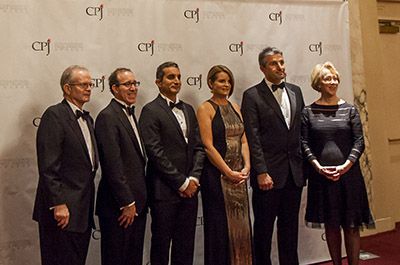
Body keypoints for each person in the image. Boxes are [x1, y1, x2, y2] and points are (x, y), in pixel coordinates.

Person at [301, 62, 375, 265]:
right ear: (318, 83)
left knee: (351, 225)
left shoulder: (350, 110)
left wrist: (345, 166)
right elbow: (304, 143)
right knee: (331, 225)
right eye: (327, 78)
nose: (332, 82)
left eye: (335, 78)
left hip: (349, 177)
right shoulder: (308, 112)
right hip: (322, 178)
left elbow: (359, 142)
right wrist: (317, 166)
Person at [241, 47, 306, 265]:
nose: (280, 67)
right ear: (262, 68)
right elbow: (253, 137)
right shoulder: (252, 95)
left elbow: (301, 132)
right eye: (273, 64)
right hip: (267, 176)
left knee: (290, 233)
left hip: (294, 175)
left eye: (281, 62)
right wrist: (261, 172)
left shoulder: (296, 91)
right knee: (263, 233)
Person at [139, 61, 205, 265]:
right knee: (160, 246)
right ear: (158, 82)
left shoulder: (188, 108)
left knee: (185, 246)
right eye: (170, 77)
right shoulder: (150, 110)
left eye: (178, 77)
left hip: (190, 192)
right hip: (164, 192)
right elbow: (155, 153)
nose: (176, 81)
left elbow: (199, 148)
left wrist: (193, 178)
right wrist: (181, 183)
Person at [33, 65, 98, 265]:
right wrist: (58, 204)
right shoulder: (54, 115)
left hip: (82, 210)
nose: (88, 88)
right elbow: (48, 166)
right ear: (67, 88)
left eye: (90, 84)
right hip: (62, 212)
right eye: (82, 85)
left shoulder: (88, 119)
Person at [197, 65, 252, 265]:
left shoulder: (235, 107)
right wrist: (228, 171)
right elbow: (208, 146)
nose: (226, 85)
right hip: (217, 177)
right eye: (221, 81)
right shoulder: (205, 108)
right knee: (219, 230)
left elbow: (244, 140)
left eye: (228, 81)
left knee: (242, 226)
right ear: (211, 83)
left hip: (239, 178)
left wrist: (246, 168)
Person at [95, 68, 147, 265]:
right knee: (116, 259)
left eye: (135, 83)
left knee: (133, 259)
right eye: (127, 84)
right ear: (114, 89)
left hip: (137, 206)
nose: (133, 88)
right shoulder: (107, 116)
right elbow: (112, 163)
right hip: (119, 207)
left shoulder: (131, 114)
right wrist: (126, 202)